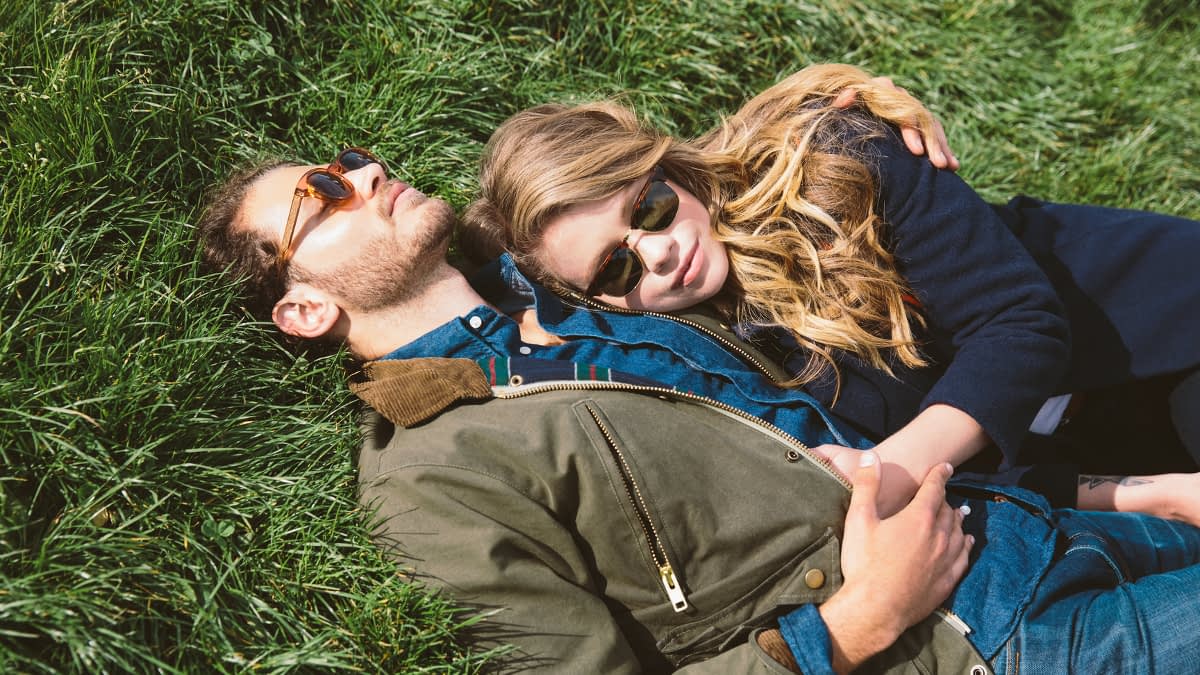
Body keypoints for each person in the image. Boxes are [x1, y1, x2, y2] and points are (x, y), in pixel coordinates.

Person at [197, 140, 1200, 673]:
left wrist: (845, 111)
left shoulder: (576, 295)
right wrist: (854, 626)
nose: (364, 173)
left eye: (348, 161)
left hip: (1033, 530)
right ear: (305, 308)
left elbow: (657, 176)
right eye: (322, 194)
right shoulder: (430, 471)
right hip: (978, 640)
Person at [463, 64, 1200, 518]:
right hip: (1094, 448)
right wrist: (1154, 494)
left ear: (668, 168)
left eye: (648, 208)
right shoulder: (726, 363)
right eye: (615, 270)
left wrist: (892, 470)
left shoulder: (836, 157)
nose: (660, 254)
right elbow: (979, 480)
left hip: (1165, 327)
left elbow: (1018, 325)